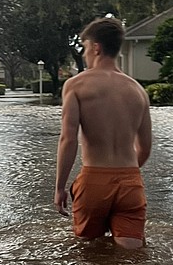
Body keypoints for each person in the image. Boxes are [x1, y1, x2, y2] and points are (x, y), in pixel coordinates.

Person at [54, 17, 152, 249]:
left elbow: (68, 140)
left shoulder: (76, 85)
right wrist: (125, 176)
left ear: (96, 47)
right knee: (131, 256)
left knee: (88, 254)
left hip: (94, 181)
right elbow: (145, 148)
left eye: (85, 47)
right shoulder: (138, 90)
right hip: (130, 181)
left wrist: (60, 188)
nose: (85, 53)